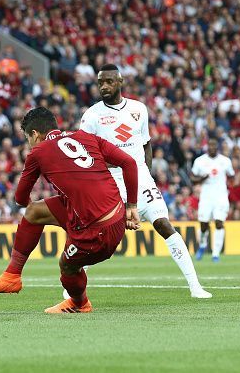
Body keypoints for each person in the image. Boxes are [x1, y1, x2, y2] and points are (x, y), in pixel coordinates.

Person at [0, 107, 140, 313]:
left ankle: (80, 304)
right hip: (117, 213)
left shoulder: (38, 152)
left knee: (67, 268)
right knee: (35, 212)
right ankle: (11, 276)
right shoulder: (86, 137)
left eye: (28, 138)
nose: (29, 143)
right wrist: (132, 206)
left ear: (35, 135)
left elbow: (20, 199)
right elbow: (129, 163)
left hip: (97, 232)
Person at [79, 64, 211, 298]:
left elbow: (146, 143)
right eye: (100, 83)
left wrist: (146, 173)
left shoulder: (139, 109)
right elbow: (85, 152)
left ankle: (195, 286)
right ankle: (71, 286)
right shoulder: (92, 116)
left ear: (120, 82)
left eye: (109, 81)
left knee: (164, 224)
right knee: (101, 238)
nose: (104, 86)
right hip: (113, 180)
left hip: (141, 177)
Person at [191, 138, 234, 262]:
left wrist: (230, 183)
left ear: (217, 147)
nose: (212, 148)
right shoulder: (200, 161)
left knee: (219, 223)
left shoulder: (225, 161)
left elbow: (231, 175)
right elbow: (193, 178)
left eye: (214, 146)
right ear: (207, 147)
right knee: (204, 224)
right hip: (206, 196)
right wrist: (201, 179)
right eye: (210, 146)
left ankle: (216, 254)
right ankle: (203, 245)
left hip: (221, 196)